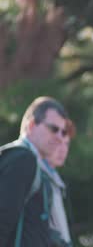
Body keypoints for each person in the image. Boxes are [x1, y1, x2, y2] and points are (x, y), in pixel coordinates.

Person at [0, 96, 69, 247]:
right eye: (54, 129)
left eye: (63, 132)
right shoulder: (23, 159)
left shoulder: (28, 161)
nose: (59, 138)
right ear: (31, 125)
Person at [40, 119, 76, 246]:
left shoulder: (54, 178)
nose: (63, 149)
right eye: (59, 142)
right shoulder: (37, 176)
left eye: (66, 144)